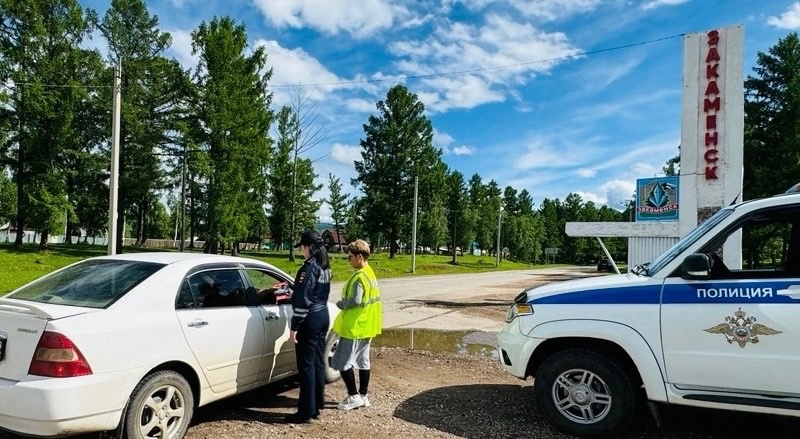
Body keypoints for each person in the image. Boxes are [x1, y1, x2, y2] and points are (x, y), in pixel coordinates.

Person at [286, 230, 331, 424]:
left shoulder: (308, 268)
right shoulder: (325, 265)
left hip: (309, 319)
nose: (302, 251)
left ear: (308, 247)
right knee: (318, 362)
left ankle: (306, 412)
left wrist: (294, 325)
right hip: (322, 315)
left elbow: (303, 300)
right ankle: (317, 405)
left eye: (302, 247)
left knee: (306, 365)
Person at [331, 239, 383, 411]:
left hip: (354, 326)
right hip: (367, 325)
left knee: (341, 361)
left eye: (350, 257)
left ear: (359, 257)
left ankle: (353, 397)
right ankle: (363, 395)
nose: (349, 260)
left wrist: (341, 304)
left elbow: (355, 300)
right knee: (363, 361)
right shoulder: (369, 273)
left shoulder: (360, 277)